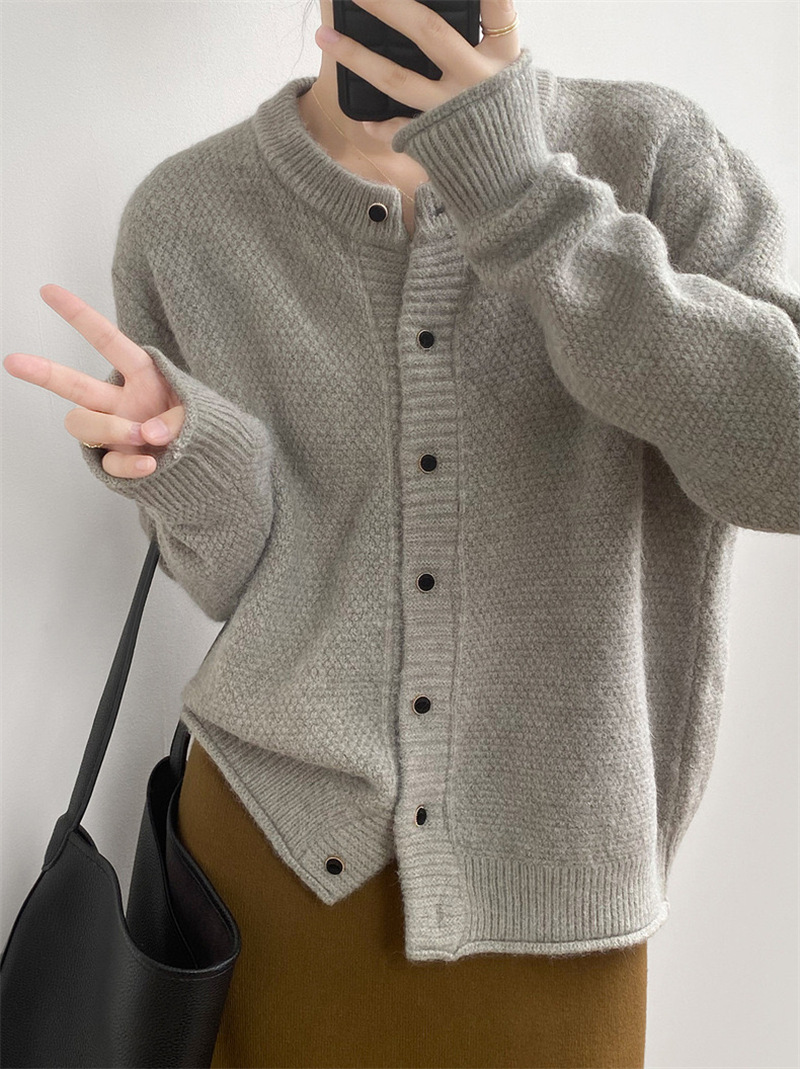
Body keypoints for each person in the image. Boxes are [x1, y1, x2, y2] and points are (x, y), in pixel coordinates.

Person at [5, 1, 798, 1066]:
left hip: (558, 886)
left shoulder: (653, 157)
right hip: (271, 866)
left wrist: (521, 194)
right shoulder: (189, 215)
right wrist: (190, 459)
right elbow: (241, 581)